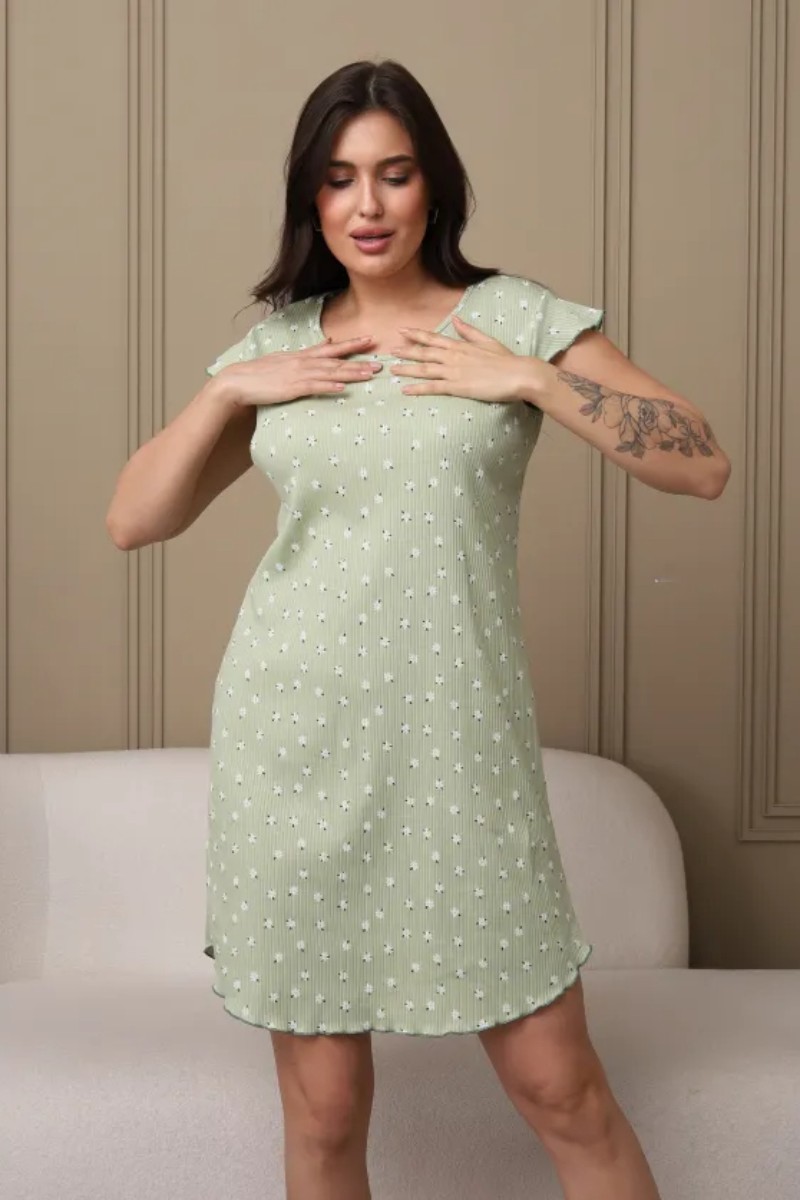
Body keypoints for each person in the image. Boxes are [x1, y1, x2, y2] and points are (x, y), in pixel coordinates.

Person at [107, 55, 729, 1200]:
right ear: (309, 197)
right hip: (294, 749)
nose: (367, 205)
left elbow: (700, 464)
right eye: (339, 178)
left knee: (561, 1091)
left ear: (432, 185)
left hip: (456, 748)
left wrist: (533, 383)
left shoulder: (513, 320)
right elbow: (133, 520)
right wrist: (226, 390)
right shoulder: (284, 349)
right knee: (323, 1115)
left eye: (393, 175)